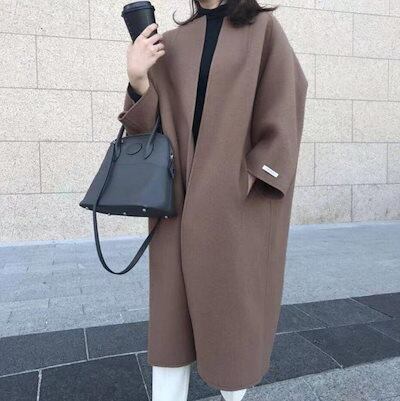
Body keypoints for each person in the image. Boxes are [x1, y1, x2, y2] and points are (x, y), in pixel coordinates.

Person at [118, 1, 308, 400]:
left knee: (231, 335)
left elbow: (286, 105)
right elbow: (147, 131)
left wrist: (248, 181)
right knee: (170, 337)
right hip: (175, 209)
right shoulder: (173, 42)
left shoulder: (262, 30)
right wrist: (137, 79)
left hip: (234, 211)